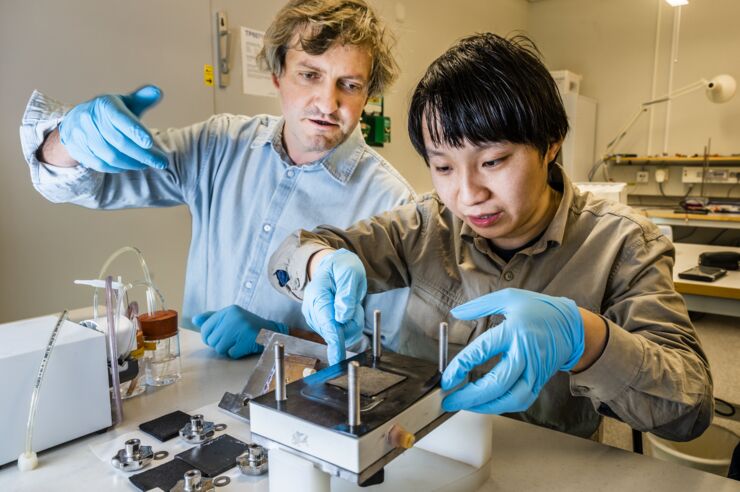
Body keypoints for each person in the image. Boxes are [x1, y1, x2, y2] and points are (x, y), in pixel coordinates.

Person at [268, 33, 713, 440]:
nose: (468, 194)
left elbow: (688, 413)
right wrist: (318, 263)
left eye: (494, 161)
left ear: (551, 142)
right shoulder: (426, 224)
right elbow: (290, 256)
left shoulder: (623, 245)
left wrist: (586, 339)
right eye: (443, 167)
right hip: (421, 452)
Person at [19, 0, 415, 359]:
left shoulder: (390, 201)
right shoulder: (220, 145)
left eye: (349, 85)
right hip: (194, 397)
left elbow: (390, 354)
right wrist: (68, 140)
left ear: (367, 95)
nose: (328, 104)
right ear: (277, 75)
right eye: (310, 74)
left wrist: (280, 337)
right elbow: (91, 184)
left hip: (307, 411)